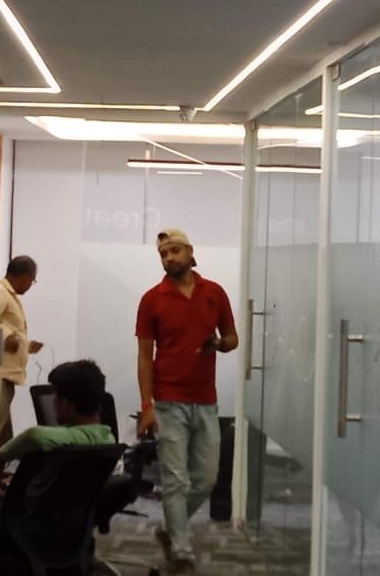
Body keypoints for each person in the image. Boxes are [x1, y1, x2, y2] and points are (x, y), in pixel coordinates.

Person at [136, 228, 238, 575]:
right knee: (175, 480)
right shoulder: (152, 299)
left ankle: (169, 529)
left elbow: (232, 337)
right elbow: (144, 356)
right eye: (163, 254)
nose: (169, 259)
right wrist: (147, 406)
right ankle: (181, 551)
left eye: (174, 251)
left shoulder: (215, 293)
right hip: (168, 400)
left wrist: (220, 344)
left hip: (206, 400)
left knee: (206, 479)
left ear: (190, 252)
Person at [0, 359, 115, 556]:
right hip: (71, 528)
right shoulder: (108, 439)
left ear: (67, 404)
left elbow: (34, 435)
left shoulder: (69, 440)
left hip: (30, 525)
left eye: (56, 397)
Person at [0, 255, 43, 445]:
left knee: (2, 431)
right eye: (32, 281)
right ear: (25, 276)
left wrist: (26, 345)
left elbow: (9, 331)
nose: (30, 285)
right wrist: (8, 337)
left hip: (8, 373)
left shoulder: (8, 295)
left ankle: (1, 461)